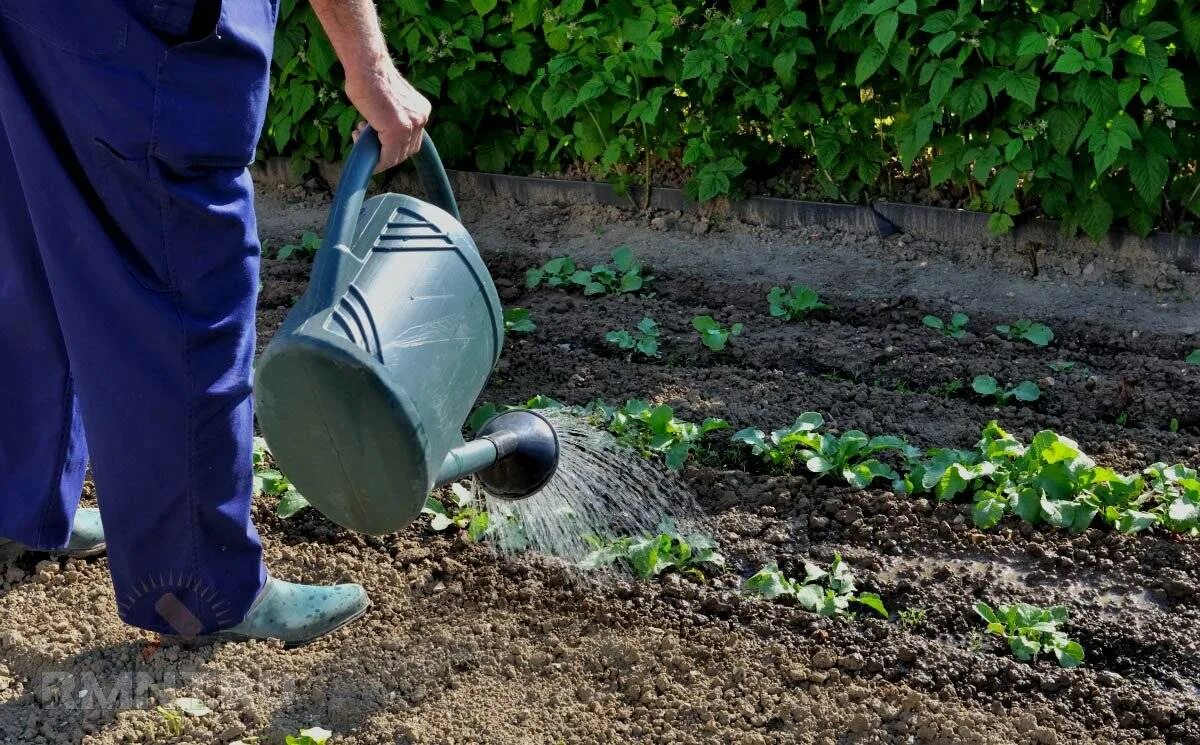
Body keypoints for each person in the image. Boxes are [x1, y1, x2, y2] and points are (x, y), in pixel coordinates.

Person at [0, 0, 430, 646]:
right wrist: (368, 64)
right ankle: (199, 587)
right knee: (182, 263)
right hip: (141, 28)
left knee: (32, 214)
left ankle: (14, 497)